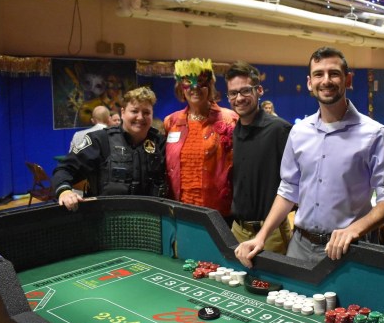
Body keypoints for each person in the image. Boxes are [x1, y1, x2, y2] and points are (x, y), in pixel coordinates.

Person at [235, 46, 384, 267]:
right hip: (300, 247)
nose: (325, 80)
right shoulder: (299, 132)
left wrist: (354, 230)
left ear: (348, 79)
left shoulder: (374, 134)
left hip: (350, 250)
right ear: (310, 82)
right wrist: (261, 236)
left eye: (333, 73)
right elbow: (288, 189)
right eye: (318, 74)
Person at [53, 87, 167, 211]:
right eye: (134, 111)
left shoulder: (160, 143)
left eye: (146, 113)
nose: (140, 117)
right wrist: (64, 191)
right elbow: (65, 169)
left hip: (150, 217)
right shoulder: (100, 140)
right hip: (107, 216)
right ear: (123, 112)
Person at [225, 61, 293, 253]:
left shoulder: (280, 130)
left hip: (271, 233)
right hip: (237, 231)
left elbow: (295, 184)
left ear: (259, 90)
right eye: (233, 93)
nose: (239, 98)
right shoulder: (233, 132)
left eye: (245, 90)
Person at [163, 58, 238, 219]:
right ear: (180, 86)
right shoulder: (171, 122)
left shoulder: (230, 119)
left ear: (210, 85)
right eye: (187, 81)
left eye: (201, 80)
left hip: (218, 212)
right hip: (180, 210)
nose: (195, 86)